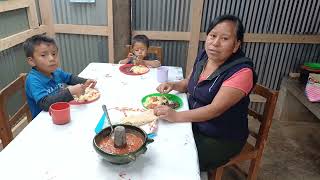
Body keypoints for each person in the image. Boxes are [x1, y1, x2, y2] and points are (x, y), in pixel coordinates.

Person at [154, 15, 257, 171]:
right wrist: (173, 85)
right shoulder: (204, 56)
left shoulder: (242, 72)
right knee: (159, 141)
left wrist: (175, 116)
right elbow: (190, 83)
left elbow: (214, 110)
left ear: (236, 45)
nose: (215, 43)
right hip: (194, 123)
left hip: (220, 136)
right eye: (212, 35)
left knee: (177, 161)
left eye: (224, 38)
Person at [23, 35, 97, 119]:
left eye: (54, 54)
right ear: (32, 61)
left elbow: (70, 78)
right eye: (43, 55)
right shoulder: (33, 80)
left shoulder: (56, 71)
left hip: (62, 112)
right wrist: (70, 91)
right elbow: (45, 104)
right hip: (44, 120)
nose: (52, 58)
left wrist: (85, 81)